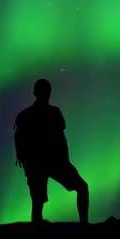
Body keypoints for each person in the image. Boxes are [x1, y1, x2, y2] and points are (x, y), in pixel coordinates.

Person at [14, 78, 89, 224]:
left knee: (37, 203)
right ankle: (84, 225)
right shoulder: (53, 112)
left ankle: (38, 232)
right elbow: (60, 134)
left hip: (39, 163)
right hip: (52, 161)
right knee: (81, 188)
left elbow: (19, 138)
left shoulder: (25, 115)